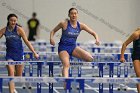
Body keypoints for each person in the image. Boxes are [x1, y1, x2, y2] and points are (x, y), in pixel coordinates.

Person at [50, 8, 100, 88]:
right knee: (66, 64)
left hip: (73, 47)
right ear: (69, 15)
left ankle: (67, 62)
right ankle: (66, 83)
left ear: (77, 15)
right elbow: (53, 31)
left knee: (90, 58)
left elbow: (94, 33)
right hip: (63, 48)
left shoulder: (81, 25)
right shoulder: (64, 24)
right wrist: (51, 39)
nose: (74, 15)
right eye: (72, 13)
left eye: (75, 13)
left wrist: (97, 39)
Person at [0, 14, 39, 93]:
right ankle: (11, 91)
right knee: (11, 74)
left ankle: (14, 72)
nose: (13, 22)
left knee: (18, 76)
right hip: (9, 55)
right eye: (11, 20)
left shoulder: (19, 30)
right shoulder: (4, 30)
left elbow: (26, 42)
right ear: (8, 20)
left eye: (15, 21)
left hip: (19, 55)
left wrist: (34, 52)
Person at [120, 28, 140, 93]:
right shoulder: (136, 34)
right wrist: (122, 57)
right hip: (136, 56)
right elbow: (125, 44)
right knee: (139, 75)